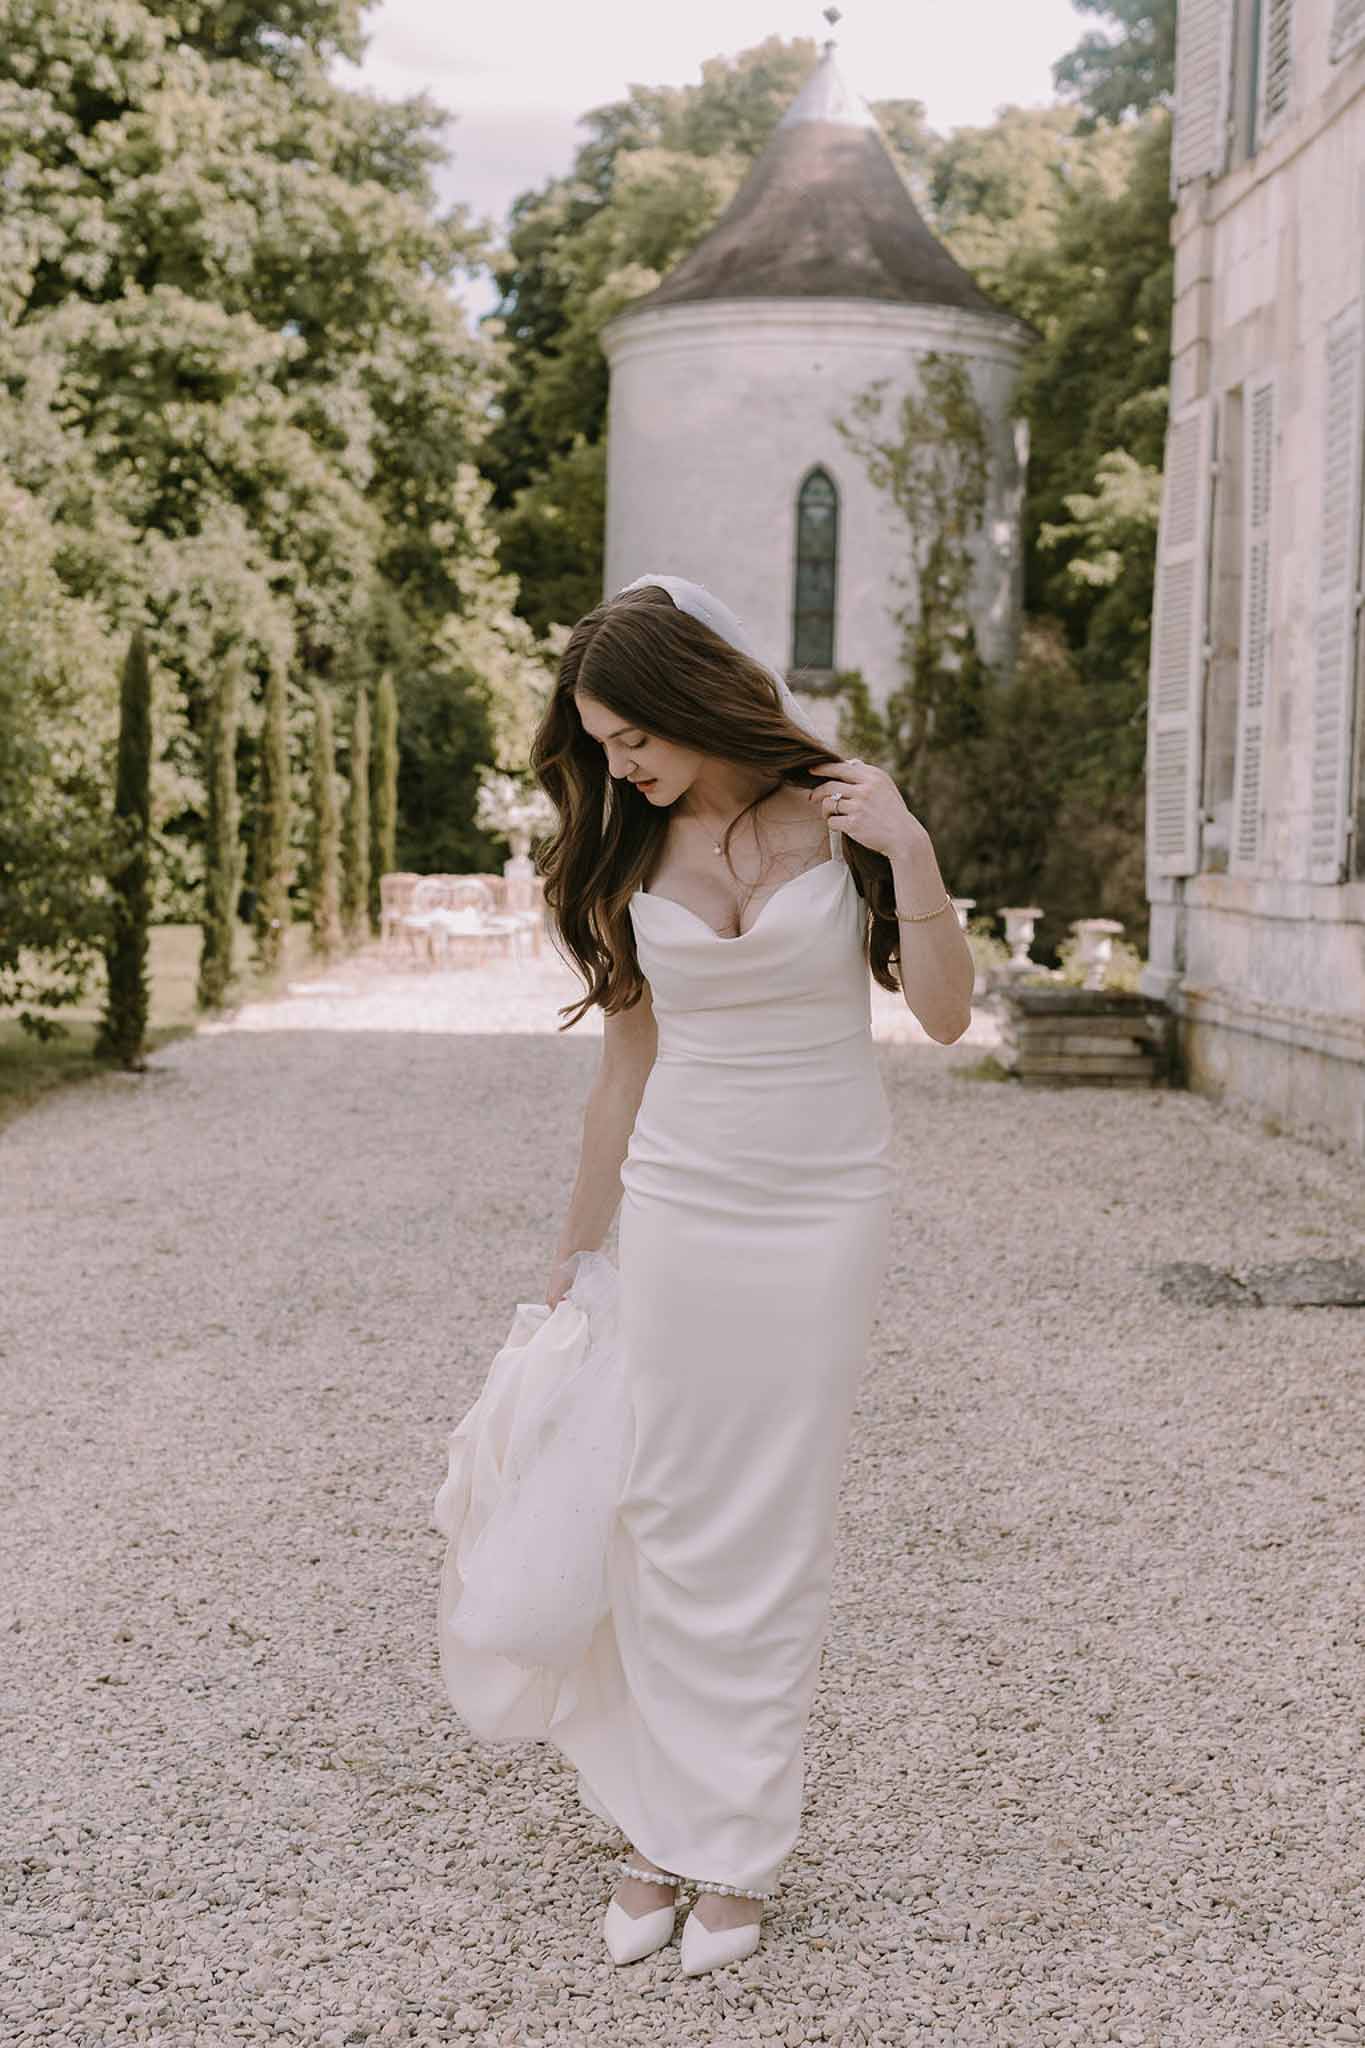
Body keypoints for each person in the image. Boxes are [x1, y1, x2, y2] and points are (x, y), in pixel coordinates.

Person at [528, 575, 974, 1976]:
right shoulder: (618, 852)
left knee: (771, 1523)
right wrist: (572, 1258)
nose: (618, 765)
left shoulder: (843, 824)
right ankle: (657, 1829)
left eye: (628, 736)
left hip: (816, 1208)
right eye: (598, 747)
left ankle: (736, 1846)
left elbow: (950, 1019)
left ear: (686, 697)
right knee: (660, 1510)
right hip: (678, 1202)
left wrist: (907, 848)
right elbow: (621, 1079)